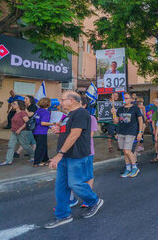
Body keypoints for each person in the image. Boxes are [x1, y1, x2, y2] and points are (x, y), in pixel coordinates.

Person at [44, 91, 103, 229]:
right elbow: (69, 132)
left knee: (75, 184)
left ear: (71, 100)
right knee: (61, 186)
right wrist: (59, 130)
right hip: (66, 155)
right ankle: (63, 215)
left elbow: (75, 134)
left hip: (77, 156)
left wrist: (59, 154)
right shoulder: (68, 115)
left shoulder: (81, 113)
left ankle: (94, 201)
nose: (60, 102)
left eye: (62, 99)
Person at [111, 93, 144, 178]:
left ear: (130, 99)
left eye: (126, 98)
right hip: (122, 132)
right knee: (124, 152)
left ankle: (134, 167)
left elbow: (140, 120)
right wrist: (113, 114)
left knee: (127, 150)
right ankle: (128, 168)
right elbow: (116, 121)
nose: (125, 100)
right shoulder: (120, 109)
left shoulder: (135, 108)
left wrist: (140, 132)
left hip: (131, 132)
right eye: (124, 98)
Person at [0, 100, 35, 165]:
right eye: (12, 103)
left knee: (25, 145)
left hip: (22, 132)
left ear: (19, 105)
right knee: (11, 145)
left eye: (14, 104)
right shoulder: (15, 113)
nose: (12, 105)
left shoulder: (23, 113)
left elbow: (27, 122)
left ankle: (34, 155)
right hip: (14, 132)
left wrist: (19, 129)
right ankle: (8, 160)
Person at [32, 97, 53, 166]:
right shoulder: (45, 112)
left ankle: (45, 158)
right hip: (41, 131)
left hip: (35, 131)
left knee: (44, 146)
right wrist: (54, 123)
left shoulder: (38, 110)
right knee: (40, 147)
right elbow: (43, 123)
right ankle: (37, 162)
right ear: (48, 104)